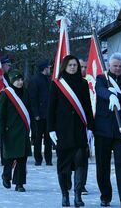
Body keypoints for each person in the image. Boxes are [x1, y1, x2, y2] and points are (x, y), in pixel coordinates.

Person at [47, 55, 94, 207]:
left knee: (80, 162)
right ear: (64, 67)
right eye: (70, 65)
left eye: (75, 65)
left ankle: (78, 196)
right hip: (62, 131)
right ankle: (65, 195)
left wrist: (90, 128)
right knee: (63, 165)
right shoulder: (57, 84)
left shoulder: (83, 83)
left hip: (79, 130)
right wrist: (51, 129)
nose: (73, 67)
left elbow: (87, 107)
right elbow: (51, 109)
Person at [94, 53, 121, 208]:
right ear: (109, 66)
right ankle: (105, 196)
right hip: (102, 130)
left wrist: (117, 95)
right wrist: (110, 95)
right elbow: (100, 91)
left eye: (120, 66)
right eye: (115, 66)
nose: (117, 68)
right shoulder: (101, 78)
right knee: (102, 165)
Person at [0, 69, 32, 192]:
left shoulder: (25, 93)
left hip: (23, 130)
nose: (20, 82)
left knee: (22, 158)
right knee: (10, 158)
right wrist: (0, 132)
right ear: (12, 81)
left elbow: (29, 111)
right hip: (10, 131)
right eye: (17, 80)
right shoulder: (6, 94)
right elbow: (0, 115)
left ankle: (19, 183)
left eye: (21, 79)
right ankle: (6, 176)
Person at [29, 60, 52, 166]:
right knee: (38, 138)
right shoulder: (35, 80)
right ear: (44, 68)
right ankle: (38, 159)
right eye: (49, 67)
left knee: (48, 138)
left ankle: (48, 159)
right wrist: (36, 114)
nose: (50, 69)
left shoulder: (49, 80)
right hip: (39, 115)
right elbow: (32, 98)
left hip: (48, 114)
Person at [79, 58, 90, 195]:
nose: (83, 69)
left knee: (83, 156)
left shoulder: (87, 82)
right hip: (70, 127)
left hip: (86, 125)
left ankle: (82, 184)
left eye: (85, 67)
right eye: (80, 66)